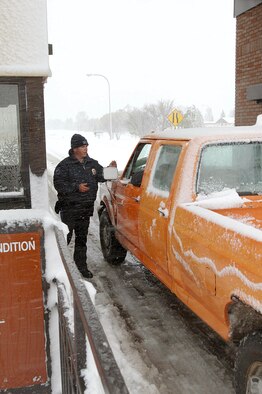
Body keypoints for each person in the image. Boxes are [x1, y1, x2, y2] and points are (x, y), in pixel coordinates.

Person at [53, 133, 116, 279]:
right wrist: (76, 187)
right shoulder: (64, 166)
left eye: (86, 145)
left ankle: (81, 267)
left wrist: (110, 169)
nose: (85, 148)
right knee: (65, 239)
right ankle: (56, 268)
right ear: (74, 148)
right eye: (82, 146)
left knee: (81, 240)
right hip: (69, 209)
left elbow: (102, 175)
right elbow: (59, 185)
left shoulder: (91, 164)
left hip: (85, 210)